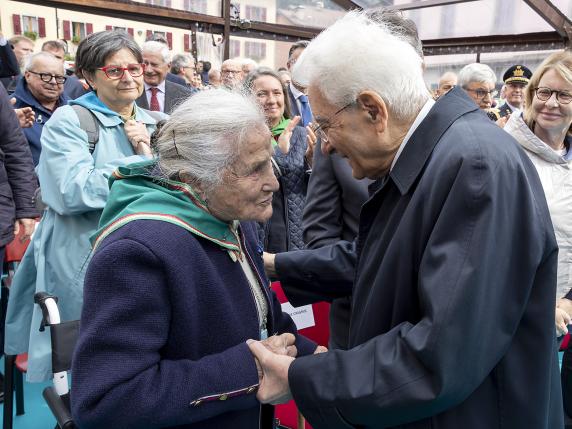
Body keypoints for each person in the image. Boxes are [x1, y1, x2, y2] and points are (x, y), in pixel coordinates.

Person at [248, 11, 562, 428]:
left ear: (373, 109)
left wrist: (303, 377)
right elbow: (382, 259)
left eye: (326, 126)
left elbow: (443, 351)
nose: (324, 148)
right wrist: (275, 264)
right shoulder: (440, 156)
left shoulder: (474, 169)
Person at [71, 89, 322, 429]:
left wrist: (320, 362)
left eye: (270, 163)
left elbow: (268, 322)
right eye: (255, 169)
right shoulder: (138, 250)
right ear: (194, 180)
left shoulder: (231, 218)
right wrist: (255, 367)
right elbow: (108, 400)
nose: (273, 183)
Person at [4, 29, 166, 382]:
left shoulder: (159, 123)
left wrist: (151, 153)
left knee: (143, 359)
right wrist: (143, 162)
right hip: (85, 261)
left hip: (150, 258)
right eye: (114, 70)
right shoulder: (70, 121)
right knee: (89, 368)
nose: (128, 77)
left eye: (134, 68)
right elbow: (69, 192)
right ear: (90, 77)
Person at [502, 50, 572, 417]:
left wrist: (568, 300)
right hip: (515, 316)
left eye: (564, 95)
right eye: (544, 92)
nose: (551, 103)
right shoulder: (505, 149)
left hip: (564, 315)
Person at [244, 67, 315, 253]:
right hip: (259, 232)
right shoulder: (242, 138)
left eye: (277, 93)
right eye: (262, 94)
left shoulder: (300, 135)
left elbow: (317, 190)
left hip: (298, 236)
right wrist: (277, 153)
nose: (272, 100)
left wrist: (314, 164)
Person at [12, 52, 69, 165]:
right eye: (46, 76)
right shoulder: (11, 109)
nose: (53, 82)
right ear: (28, 76)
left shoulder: (75, 108)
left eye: (58, 77)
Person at [136, 41, 193, 114]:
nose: (148, 70)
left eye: (154, 65)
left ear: (168, 66)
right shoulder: (130, 92)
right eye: (145, 64)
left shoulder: (184, 94)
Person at [286, 41, 312, 127]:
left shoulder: (324, 99)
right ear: (289, 66)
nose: (303, 67)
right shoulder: (280, 98)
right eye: (298, 61)